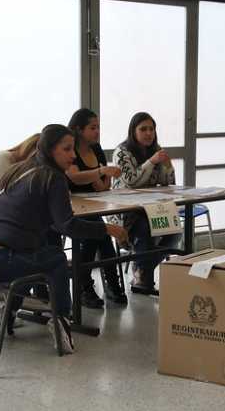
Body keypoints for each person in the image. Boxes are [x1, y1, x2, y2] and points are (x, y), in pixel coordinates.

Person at [0, 124, 128, 353]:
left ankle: (8, 312)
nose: (73, 155)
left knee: (38, 257)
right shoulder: (53, 178)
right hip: (3, 261)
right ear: (51, 150)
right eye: (66, 149)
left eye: (73, 149)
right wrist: (107, 230)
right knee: (56, 260)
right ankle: (62, 322)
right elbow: (67, 225)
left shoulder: (20, 169)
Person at [111, 112, 179, 296]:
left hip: (151, 208)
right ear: (133, 131)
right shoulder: (122, 152)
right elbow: (131, 181)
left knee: (174, 230)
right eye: (143, 129)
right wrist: (152, 162)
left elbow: (169, 182)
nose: (149, 133)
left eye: (152, 129)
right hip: (125, 211)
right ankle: (143, 277)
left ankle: (141, 268)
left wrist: (168, 165)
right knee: (144, 227)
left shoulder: (155, 149)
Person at [0, 134, 40, 330]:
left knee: (40, 238)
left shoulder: (16, 164)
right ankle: (8, 304)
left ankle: (20, 299)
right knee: (37, 246)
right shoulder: (3, 159)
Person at [66, 108, 127, 307]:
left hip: (91, 205)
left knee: (101, 235)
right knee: (97, 234)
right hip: (71, 206)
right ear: (78, 129)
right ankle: (85, 286)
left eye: (98, 127)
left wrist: (107, 173)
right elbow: (73, 176)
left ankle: (110, 283)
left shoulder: (96, 149)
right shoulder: (69, 149)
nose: (97, 131)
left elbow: (101, 186)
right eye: (92, 128)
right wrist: (100, 170)